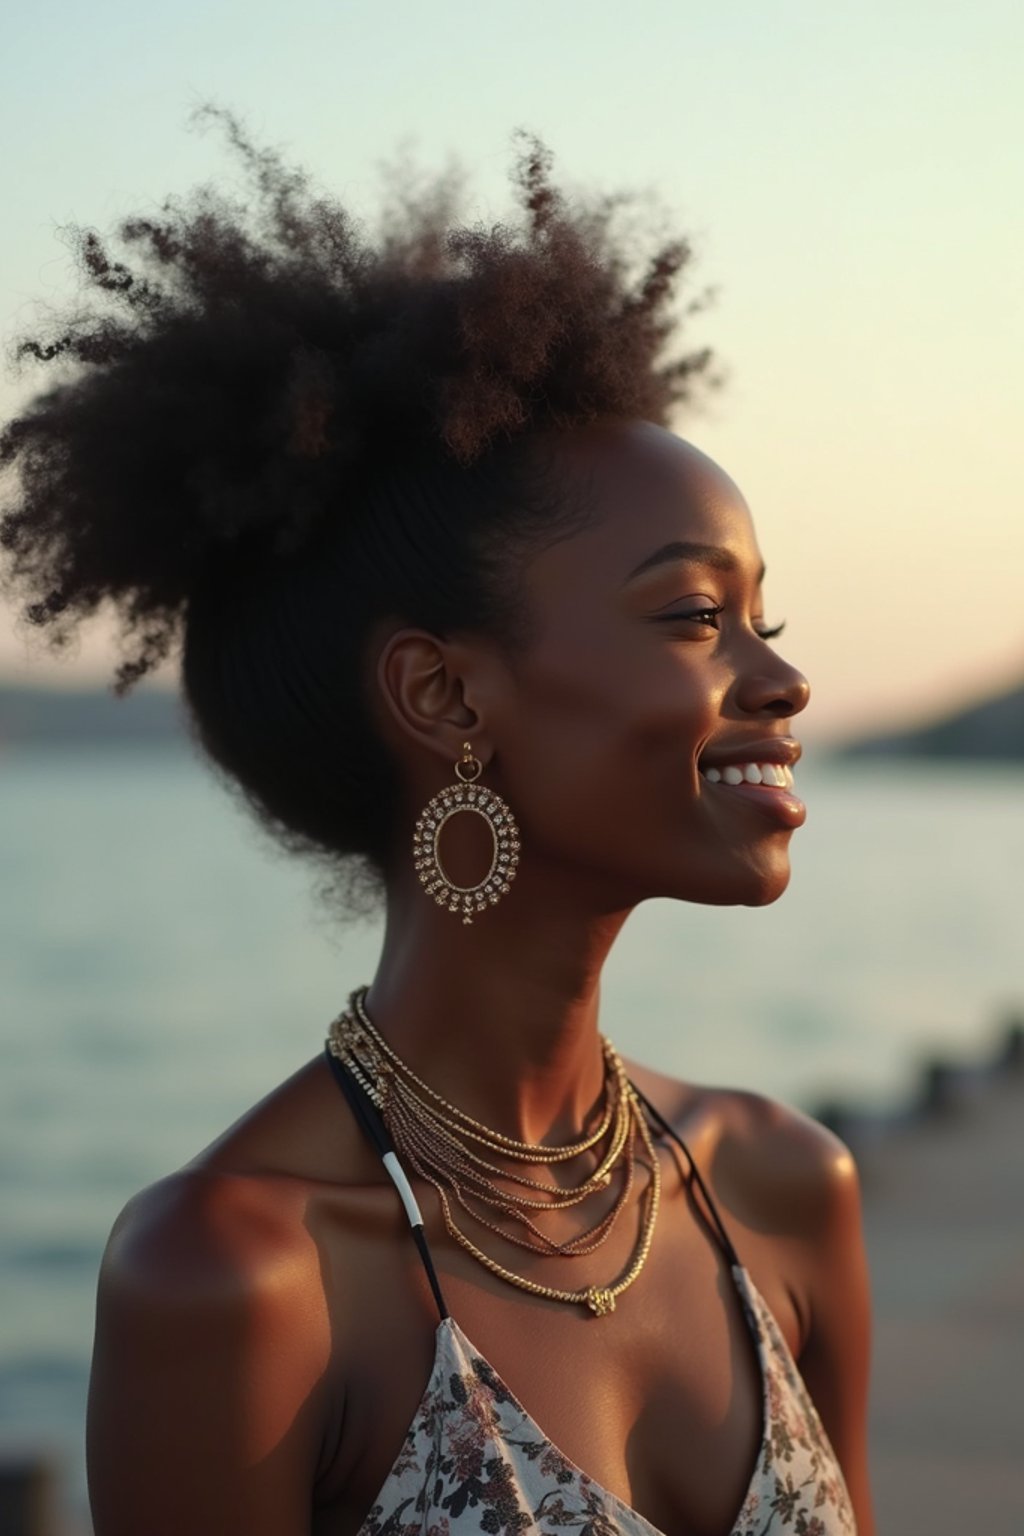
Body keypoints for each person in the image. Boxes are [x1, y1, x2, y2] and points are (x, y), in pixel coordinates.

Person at [0, 108, 874, 1536]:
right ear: (444, 694)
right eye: (697, 618)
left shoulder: (782, 1189)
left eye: (762, 618)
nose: (780, 678)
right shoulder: (238, 1278)